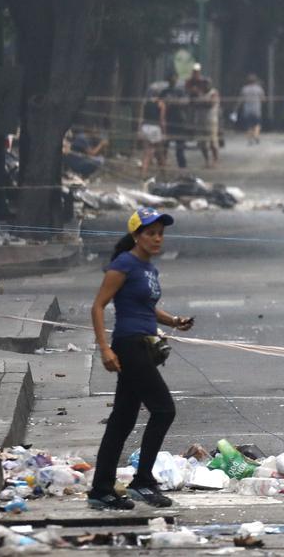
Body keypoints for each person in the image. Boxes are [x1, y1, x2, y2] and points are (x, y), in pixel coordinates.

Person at [86, 207, 194, 510]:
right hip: (128, 345)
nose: (157, 239)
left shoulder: (148, 268)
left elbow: (147, 306)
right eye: (150, 233)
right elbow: (98, 306)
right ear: (136, 235)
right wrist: (104, 349)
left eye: (160, 233)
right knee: (163, 409)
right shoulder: (124, 264)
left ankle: (101, 489)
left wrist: (174, 321)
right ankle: (143, 482)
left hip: (143, 344)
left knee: (122, 420)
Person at [161, 74, 190, 170]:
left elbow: (185, 102)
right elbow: (161, 104)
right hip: (168, 122)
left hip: (179, 122)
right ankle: (163, 167)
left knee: (180, 149)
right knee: (164, 146)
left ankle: (182, 169)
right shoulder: (164, 92)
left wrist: (171, 102)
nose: (172, 79)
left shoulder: (180, 91)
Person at [138, 86, 166, 178]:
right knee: (160, 152)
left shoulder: (145, 103)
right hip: (155, 128)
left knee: (147, 152)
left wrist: (139, 130)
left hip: (145, 127)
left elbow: (141, 118)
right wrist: (164, 132)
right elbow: (162, 119)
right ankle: (163, 173)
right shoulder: (161, 103)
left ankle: (143, 174)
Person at [196, 83, 221, 168]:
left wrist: (202, 102)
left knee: (213, 142)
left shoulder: (214, 93)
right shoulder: (200, 93)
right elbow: (195, 103)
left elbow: (210, 103)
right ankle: (207, 161)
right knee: (202, 143)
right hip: (201, 121)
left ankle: (215, 160)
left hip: (211, 121)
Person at [239, 74, 266, 145]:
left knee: (249, 125)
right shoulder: (259, 88)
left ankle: (250, 139)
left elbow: (241, 99)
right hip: (256, 109)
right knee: (257, 124)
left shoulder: (244, 89)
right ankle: (256, 136)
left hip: (247, 109)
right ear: (255, 81)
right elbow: (263, 99)